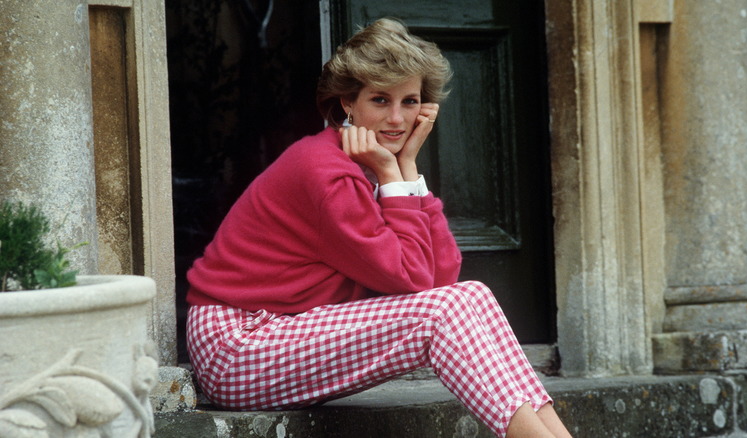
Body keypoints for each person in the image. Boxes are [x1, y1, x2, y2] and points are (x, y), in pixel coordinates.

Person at [185, 17, 572, 438]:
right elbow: (414, 281)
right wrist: (392, 173)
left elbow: (441, 278)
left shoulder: (371, 163)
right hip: (238, 346)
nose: (396, 118)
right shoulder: (324, 171)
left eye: (409, 101)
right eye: (380, 100)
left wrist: (406, 168)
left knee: (472, 295)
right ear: (348, 103)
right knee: (445, 311)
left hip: (284, 329)